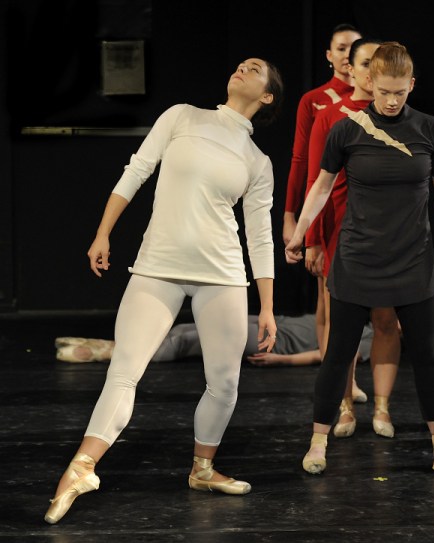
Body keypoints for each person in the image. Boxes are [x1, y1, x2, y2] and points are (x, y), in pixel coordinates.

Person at [44, 57, 284, 525]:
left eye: (255, 69)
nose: (241, 68)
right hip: (159, 265)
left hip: (223, 275)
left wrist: (268, 305)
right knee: (125, 370)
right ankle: (82, 467)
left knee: (226, 382)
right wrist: (102, 233)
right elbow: (136, 170)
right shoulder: (182, 116)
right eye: (239, 64)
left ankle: (203, 469)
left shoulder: (258, 161)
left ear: (267, 95)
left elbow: (259, 235)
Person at [286, 42, 434, 477]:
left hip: (413, 258)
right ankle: (318, 440)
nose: (391, 101)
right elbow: (320, 186)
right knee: (338, 352)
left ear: (411, 85)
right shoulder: (346, 128)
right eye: (384, 92)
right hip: (356, 257)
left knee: (427, 354)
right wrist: (300, 234)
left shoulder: (431, 128)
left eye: (400, 92)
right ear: (369, 83)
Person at [305, 37, 401, 440]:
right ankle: (343, 405)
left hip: (389, 235)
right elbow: (315, 179)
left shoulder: (400, 116)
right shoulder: (330, 117)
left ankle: (382, 408)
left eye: (375, 63)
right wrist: (311, 238)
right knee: (340, 327)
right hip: (341, 233)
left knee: (386, 319)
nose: (367, 70)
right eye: (363, 63)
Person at [283, 23, 362, 355]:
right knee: (326, 295)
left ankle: (345, 376)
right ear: (329, 56)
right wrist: (291, 215)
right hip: (327, 205)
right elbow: (302, 162)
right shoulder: (315, 102)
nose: (348, 56)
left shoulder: (375, 101)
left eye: (355, 49)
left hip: (362, 205)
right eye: (342, 48)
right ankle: (334, 375)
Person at [54, 315, 375, 369]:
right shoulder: (363, 316)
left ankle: (106, 352)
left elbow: (326, 355)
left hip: (272, 343)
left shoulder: (373, 339)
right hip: (274, 324)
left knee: (193, 340)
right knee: (187, 326)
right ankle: (111, 342)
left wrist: (282, 361)